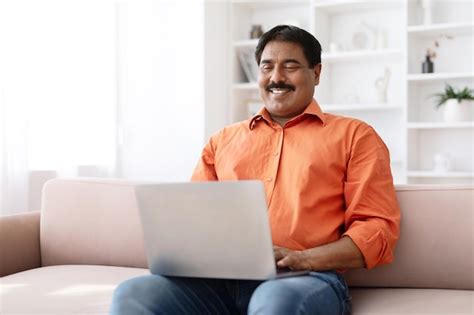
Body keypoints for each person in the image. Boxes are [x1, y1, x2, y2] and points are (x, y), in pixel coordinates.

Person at [110, 25, 400, 315]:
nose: (276, 78)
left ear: (317, 73)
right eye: (267, 67)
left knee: (276, 303)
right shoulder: (222, 141)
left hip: (304, 278)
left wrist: (303, 259)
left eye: (290, 66)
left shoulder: (356, 136)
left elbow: (377, 230)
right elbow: (195, 222)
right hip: (216, 282)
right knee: (134, 293)